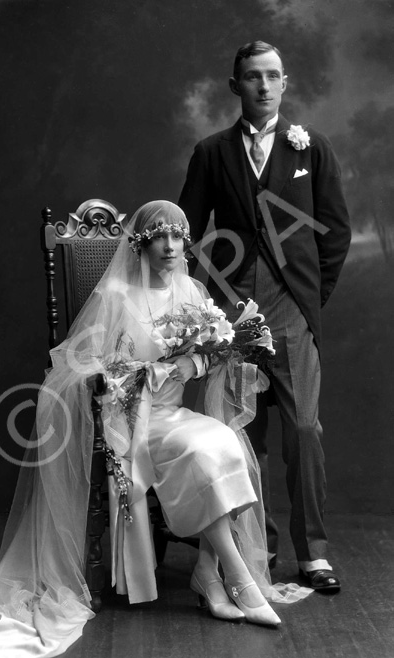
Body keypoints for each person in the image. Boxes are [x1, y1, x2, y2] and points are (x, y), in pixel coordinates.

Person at [0, 200, 313, 658]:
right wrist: (142, 372)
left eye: (177, 237)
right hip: (132, 420)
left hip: (174, 416)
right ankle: (238, 579)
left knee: (224, 440)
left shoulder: (191, 289)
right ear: (141, 244)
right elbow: (79, 368)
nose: (170, 247)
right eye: (159, 238)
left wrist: (195, 361)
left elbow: (210, 354)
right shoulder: (115, 297)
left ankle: (210, 574)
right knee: (205, 451)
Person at [179, 41, 351, 591]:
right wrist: (202, 308)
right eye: (252, 77)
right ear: (236, 86)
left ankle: (313, 553)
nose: (264, 85)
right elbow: (188, 233)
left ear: (285, 83)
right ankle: (256, 548)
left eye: (273, 76)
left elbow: (337, 232)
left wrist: (307, 301)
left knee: (303, 428)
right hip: (231, 312)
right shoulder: (211, 152)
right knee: (239, 434)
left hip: (293, 310)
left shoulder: (312, 149)